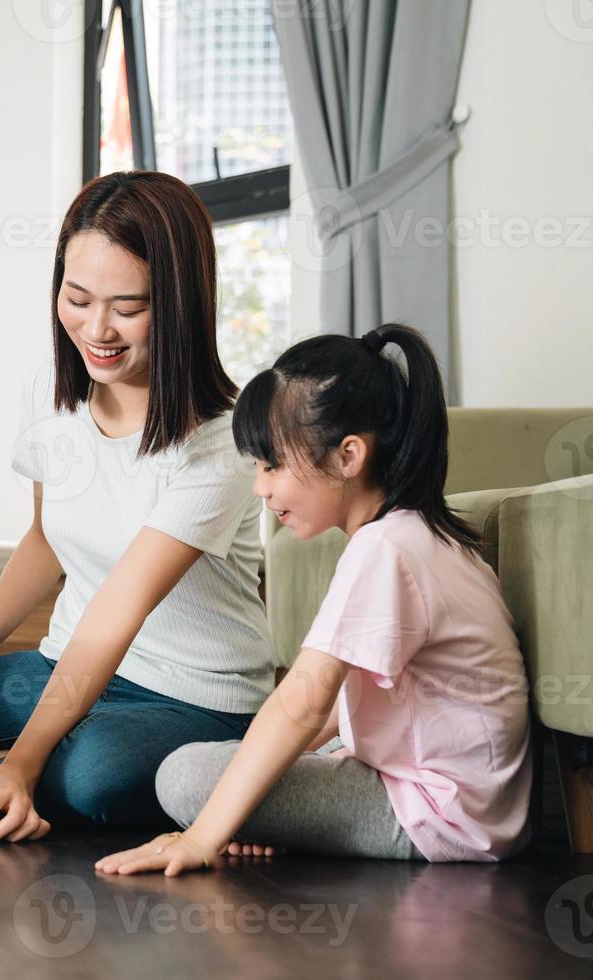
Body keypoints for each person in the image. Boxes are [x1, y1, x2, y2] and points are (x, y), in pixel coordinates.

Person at [98, 324, 531, 876]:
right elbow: (331, 710)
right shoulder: (421, 536)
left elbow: (303, 702)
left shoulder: (386, 550)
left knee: (183, 774)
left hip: (437, 814)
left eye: (272, 463)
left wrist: (203, 838)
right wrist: (256, 803)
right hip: (467, 802)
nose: (261, 486)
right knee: (251, 767)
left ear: (348, 455)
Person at [0, 171, 274, 842]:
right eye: (76, 298)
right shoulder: (51, 391)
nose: (96, 328)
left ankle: (6, 774)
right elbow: (44, 542)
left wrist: (21, 762)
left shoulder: (223, 441)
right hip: (63, 665)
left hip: (191, 696)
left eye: (127, 307)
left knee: (91, 777)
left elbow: (119, 609)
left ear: (180, 304)